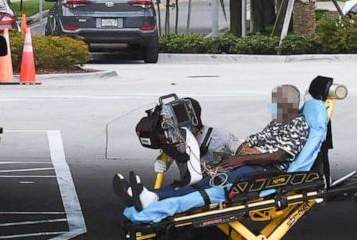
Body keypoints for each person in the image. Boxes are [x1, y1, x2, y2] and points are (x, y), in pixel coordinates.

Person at [150, 99, 268, 240]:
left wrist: (227, 165)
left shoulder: (219, 137)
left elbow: (251, 155)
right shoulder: (177, 141)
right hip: (192, 206)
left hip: (219, 207)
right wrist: (163, 159)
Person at [114, 84, 309, 209]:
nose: (273, 105)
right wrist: (235, 157)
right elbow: (251, 142)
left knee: (209, 183)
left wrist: (238, 159)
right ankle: (146, 195)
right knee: (198, 180)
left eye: (277, 102)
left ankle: (153, 200)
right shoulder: (280, 121)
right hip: (252, 163)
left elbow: (278, 157)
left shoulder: (296, 124)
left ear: (288, 104)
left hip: (267, 170)